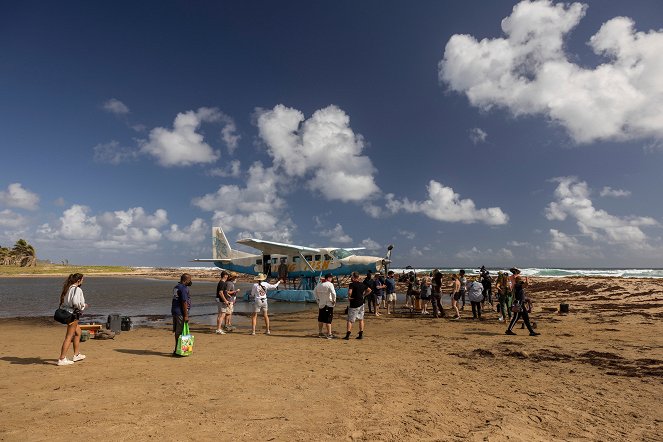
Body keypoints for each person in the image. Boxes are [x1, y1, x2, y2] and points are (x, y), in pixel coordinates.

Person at [57, 273, 88, 366]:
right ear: (78, 280)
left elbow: (65, 301)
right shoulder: (77, 289)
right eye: (82, 279)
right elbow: (75, 302)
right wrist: (83, 306)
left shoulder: (68, 288)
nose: (83, 281)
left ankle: (76, 354)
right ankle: (62, 359)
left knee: (78, 332)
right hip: (72, 315)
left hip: (67, 313)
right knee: (69, 337)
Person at [344, 272, 371, 340]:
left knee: (350, 320)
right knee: (361, 319)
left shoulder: (352, 284)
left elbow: (350, 292)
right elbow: (369, 290)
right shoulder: (362, 284)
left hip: (354, 303)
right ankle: (361, 333)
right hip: (361, 303)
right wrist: (364, 295)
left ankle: (348, 334)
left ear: (353, 277)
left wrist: (349, 297)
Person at [171, 273, 192, 356]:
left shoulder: (177, 287)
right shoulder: (183, 288)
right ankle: (177, 350)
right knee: (179, 332)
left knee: (177, 332)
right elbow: (184, 302)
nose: (190, 281)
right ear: (185, 280)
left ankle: (178, 349)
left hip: (175, 311)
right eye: (189, 280)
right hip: (180, 312)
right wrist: (186, 315)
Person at [314, 273, 337, 339]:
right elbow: (333, 293)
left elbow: (314, 292)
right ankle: (329, 334)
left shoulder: (319, 284)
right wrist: (334, 300)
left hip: (321, 304)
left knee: (321, 319)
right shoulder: (330, 284)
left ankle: (320, 332)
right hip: (328, 304)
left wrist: (318, 300)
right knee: (328, 320)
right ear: (329, 278)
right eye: (331, 278)